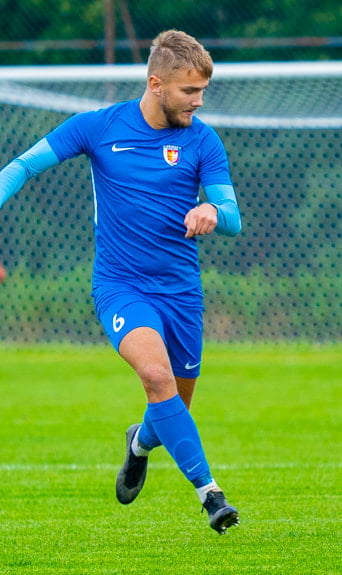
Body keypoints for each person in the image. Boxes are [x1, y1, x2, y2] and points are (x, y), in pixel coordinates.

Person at [0, 30, 242, 534]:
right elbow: (24, 166)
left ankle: (138, 444)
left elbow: (233, 215)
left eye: (202, 92)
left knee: (172, 405)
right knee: (156, 379)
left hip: (182, 294)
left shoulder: (202, 139)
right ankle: (211, 495)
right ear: (156, 84)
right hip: (120, 286)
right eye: (188, 92)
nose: (198, 102)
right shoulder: (98, 127)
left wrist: (210, 211)